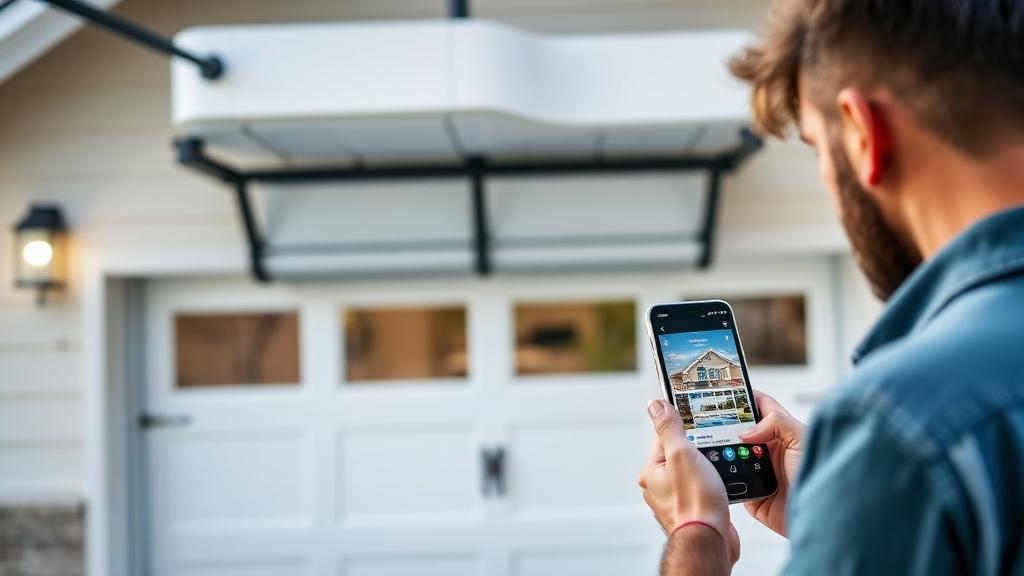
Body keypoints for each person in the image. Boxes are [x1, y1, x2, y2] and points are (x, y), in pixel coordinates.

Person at [637, 0, 1024, 574]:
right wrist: (850, 509)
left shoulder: (900, 423)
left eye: (819, 148)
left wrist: (699, 532)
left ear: (864, 133)